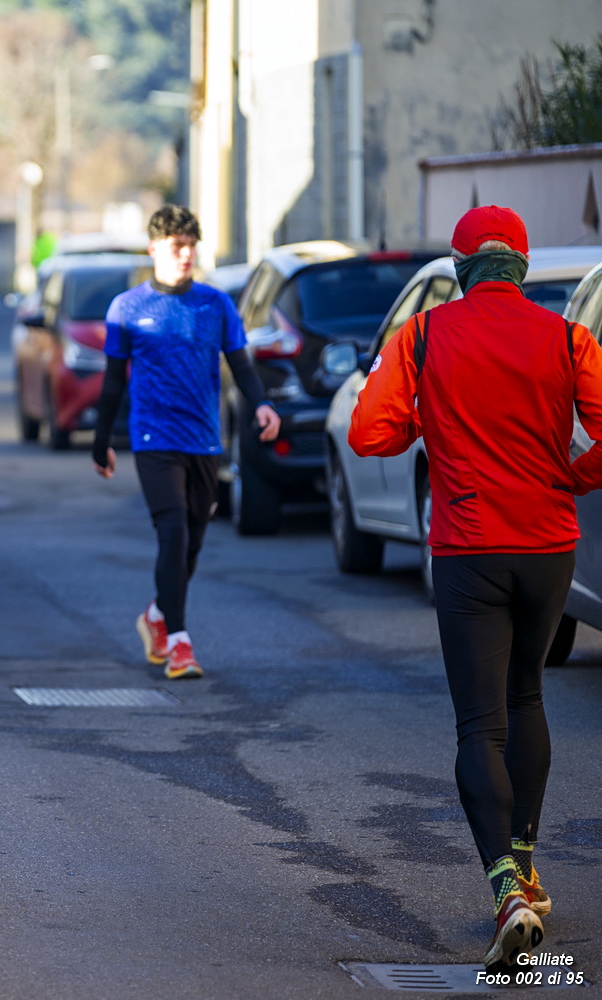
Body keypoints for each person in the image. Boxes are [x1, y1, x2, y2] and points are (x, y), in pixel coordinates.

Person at [349, 205, 602, 971]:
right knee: (527, 697)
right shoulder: (570, 337)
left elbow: (367, 432)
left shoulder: (423, 335)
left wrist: (424, 420)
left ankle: (506, 892)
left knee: (479, 727)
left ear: (460, 270)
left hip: (468, 548)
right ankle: (525, 867)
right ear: (520, 268)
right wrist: (573, 475)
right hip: (549, 545)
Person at [92, 205, 279, 680]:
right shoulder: (127, 308)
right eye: (177, 246)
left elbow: (241, 365)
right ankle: (179, 642)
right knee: (173, 532)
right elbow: (112, 382)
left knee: (191, 544)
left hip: (204, 440)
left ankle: (157, 615)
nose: (186, 254)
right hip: (153, 438)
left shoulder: (215, 305)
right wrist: (101, 440)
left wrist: (262, 404)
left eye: (192, 246)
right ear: (154, 248)